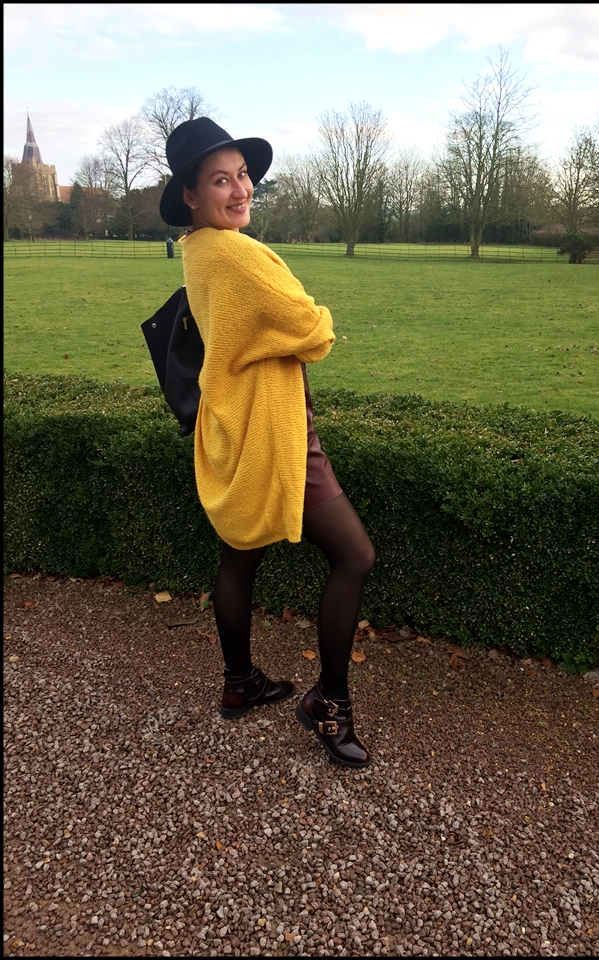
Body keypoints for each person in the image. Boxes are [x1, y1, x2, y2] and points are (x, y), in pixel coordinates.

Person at [159, 118, 375, 769]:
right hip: (275, 437)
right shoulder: (239, 256)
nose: (240, 189)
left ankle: (240, 683)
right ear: (191, 194)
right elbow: (314, 330)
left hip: (231, 428)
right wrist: (316, 316)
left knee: (238, 558)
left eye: (243, 175)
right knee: (355, 556)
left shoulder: (199, 250)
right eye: (220, 180)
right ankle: (329, 704)